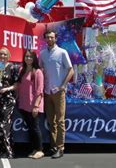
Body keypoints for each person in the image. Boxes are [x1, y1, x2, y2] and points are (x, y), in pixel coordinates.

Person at [39, 30, 74, 159]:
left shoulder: (62, 52)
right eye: (47, 37)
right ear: (45, 39)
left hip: (59, 92)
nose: (49, 39)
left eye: (51, 37)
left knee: (60, 121)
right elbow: (40, 70)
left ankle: (60, 148)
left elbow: (71, 70)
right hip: (47, 92)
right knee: (50, 122)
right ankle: (53, 146)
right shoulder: (42, 54)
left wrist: (62, 86)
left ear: (56, 38)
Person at [0, 47, 19, 158]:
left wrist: (7, 89)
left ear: (9, 56)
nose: (3, 56)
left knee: (4, 125)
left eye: (5, 54)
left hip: (8, 99)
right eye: (1, 54)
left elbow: (17, 85)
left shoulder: (13, 68)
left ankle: (8, 151)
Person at [17, 50, 44, 159]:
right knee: (30, 128)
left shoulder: (38, 72)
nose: (28, 58)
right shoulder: (21, 70)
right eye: (26, 56)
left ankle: (40, 150)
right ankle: (34, 149)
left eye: (30, 56)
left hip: (33, 105)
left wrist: (36, 106)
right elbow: (18, 85)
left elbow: (39, 90)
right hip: (24, 105)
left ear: (34, 59)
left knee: (35, 128)